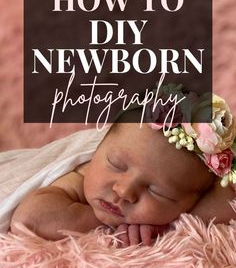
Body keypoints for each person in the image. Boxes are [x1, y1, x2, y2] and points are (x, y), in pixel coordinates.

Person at [10, 101, 236, 246]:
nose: (124, 190)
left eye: (156, 191)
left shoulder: (191, 185)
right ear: (100, 148)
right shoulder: (81, 173)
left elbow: (229, 198)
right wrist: (118, 228)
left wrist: (168, 222)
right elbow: (29, 220)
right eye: (116, 165)